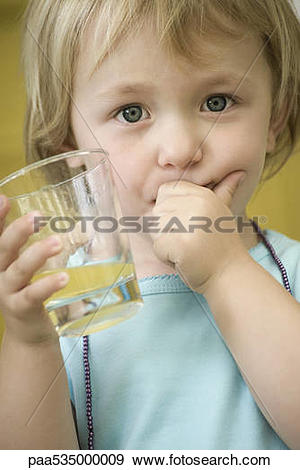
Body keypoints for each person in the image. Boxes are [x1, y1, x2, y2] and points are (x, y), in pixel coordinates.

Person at [0, 0, 300, 450]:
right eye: (131, 112)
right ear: (70, 143)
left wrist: (225, 270)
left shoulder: (291, 274)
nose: (180, 150)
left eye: (217, 102)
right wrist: (29, 343)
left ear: (275, 116)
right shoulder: (63, 296)